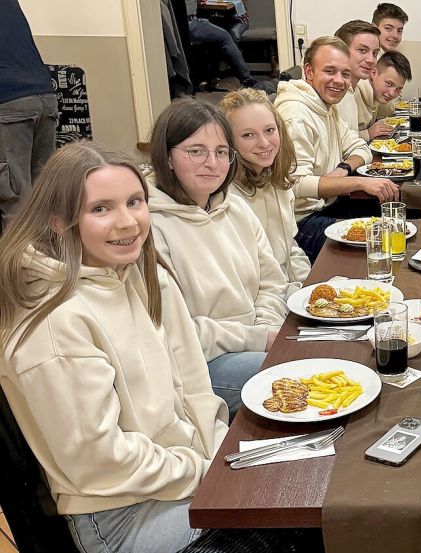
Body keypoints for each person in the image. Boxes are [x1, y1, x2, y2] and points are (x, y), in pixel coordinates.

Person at [0, 142, 230, 552]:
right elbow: (97, 461)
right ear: (58, 221)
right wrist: (203, 472)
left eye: (134, 201)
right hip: (121, 513)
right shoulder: (53, 322)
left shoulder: (145, 275)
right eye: (101, 209)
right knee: (288, 522)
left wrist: (218, 461)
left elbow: (196, 387)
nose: (127, 223)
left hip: (180, 470)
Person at [147, 100, 288, 417]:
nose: (212, 163)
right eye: (195, 151)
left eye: (221, 152)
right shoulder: (150, 226)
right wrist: (260, 338)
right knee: (297, 372)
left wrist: (267, 327)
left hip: (256, 338)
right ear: (167, 157)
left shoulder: (234, 207)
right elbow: (177, 333)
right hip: (201, 363)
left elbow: (272, 281)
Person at [273, 36, 398, 259]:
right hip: (301, 224)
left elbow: (362, 147)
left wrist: (343, 170)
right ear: (309, 72)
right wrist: (360, 181)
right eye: (330, 71)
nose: (339, 80)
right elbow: (296, 184)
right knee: (382, 241)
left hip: (328, 207)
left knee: (394, 223)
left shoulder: (327, 106)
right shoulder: (296, 115)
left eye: (345, 74)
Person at [220, 88, 311, 296]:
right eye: (248, 135)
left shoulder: (276, 180)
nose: (264, 143)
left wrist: (310, 286)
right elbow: (255, 281)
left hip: (290, 293)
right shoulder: (229, 199)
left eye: (269, 130)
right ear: (229, 142)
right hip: (266, 306)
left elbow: (290, 248)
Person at [0, 0, 58, 232]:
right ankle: (52, 260)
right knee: (45, 190)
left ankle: (22, 266)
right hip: (45, 95)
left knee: (15, 196)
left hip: (10, 102)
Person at [183, 0, 275, 93]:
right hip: (190, 22)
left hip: (189, 22)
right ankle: (248, 81)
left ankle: (210, 77)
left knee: (221, 35)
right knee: (224, 37)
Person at [334, 20, 383, 135]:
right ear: (341, 50)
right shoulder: (335, 93)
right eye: (362, 50)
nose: (371, 60)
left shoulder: (352, 90)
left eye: (375, 53)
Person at [354, 50, 413, 141]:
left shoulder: (375, 94)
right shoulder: (354, 93)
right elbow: (341, 140)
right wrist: (368, 133)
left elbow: (387, 112)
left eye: (398, 89)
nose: (392, 94)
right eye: (389, 84)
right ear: (373, 73)